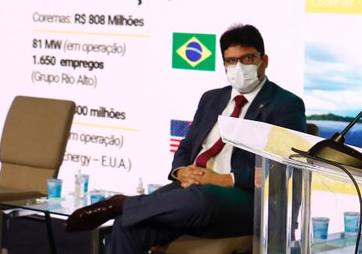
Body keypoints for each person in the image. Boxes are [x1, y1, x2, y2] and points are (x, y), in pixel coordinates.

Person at [65, 24, 306, 253]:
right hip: (192, 191)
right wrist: (181, 172)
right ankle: (127, 208)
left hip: (246, 201)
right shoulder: (211, 99)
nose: (239, 67)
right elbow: (188, 145)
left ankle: (120, 204)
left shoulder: (286, 105)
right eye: (231, 61)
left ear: (264, 61)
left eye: (248, 58)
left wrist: (222, 179)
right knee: (127, 226)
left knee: (201, 198)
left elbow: (282, 169)